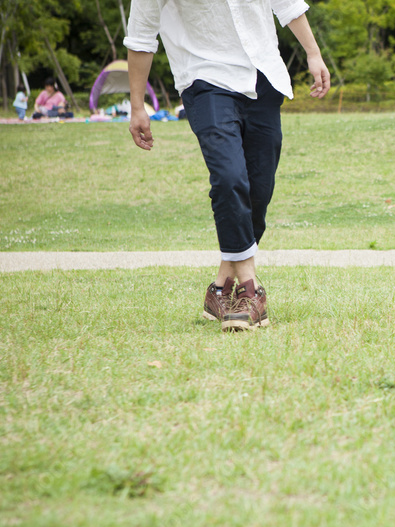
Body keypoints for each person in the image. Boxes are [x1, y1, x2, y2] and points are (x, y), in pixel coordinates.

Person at [124, 0, 330, 331]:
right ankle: (249, 291)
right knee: (228, 176)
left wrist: (313, 53)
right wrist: (137, 106)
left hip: (262, 75)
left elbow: (287, 3)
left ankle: (220, 286)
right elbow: (141, 36)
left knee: (259, 188)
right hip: (205, 80)